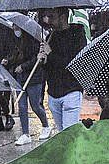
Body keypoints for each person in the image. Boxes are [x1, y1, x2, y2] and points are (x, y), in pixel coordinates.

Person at [37, 7, 88, 135]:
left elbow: (72, 64)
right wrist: (43, 60)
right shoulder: (51, 36)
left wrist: (50, 53)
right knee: (61, 134)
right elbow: (50, 67)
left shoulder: (77, 34)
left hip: (71, 90)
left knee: (69, 134)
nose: (49, 21)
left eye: (52, 17)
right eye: (47, 17)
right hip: (53, 92)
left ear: (63, 16)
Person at [10, 30, 51, 146]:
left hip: (33, 78)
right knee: (22, 106)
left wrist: (23, 66)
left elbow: (37, 59)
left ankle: (46, 126)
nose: (15, 28)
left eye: (16, 26)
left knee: (35, 106)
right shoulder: (15, 41)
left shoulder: (34, 41)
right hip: (20, 78)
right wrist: (8, 61)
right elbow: (14, 56)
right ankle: (25, 134)